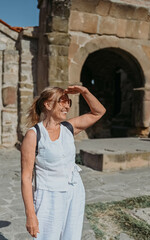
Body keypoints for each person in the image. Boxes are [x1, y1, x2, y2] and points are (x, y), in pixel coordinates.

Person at [21, 85, 106, 239]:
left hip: (74, 191)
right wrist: (30, 215)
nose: (67, 106)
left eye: (68, 102)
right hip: (49, 196)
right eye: (62, 102)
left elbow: (99, 112)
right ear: (47, 104)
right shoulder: (34, 135)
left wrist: (84, 92)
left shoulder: (69, 127)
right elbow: (26, 178)